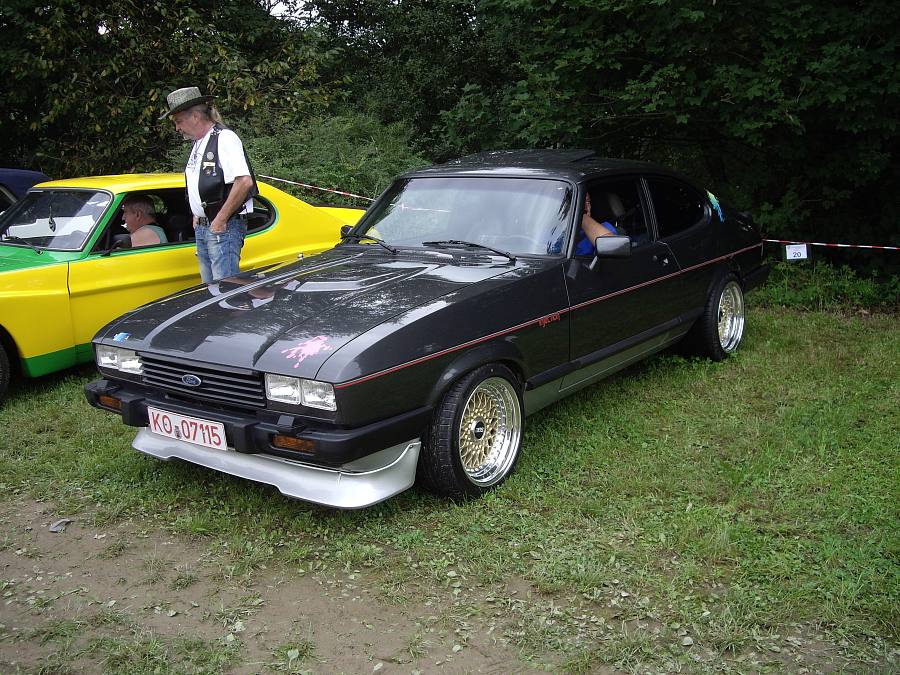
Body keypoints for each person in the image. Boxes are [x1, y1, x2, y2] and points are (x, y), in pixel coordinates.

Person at [160, 86, 258, 283]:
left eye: (178, 121)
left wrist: (220, 219)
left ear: (195, 116)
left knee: (225, 288)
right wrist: (198, 214)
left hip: (223, 226)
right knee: (210, 290)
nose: (177, 128)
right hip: (206, 226)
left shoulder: (224, 138)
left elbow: (244, 181)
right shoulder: (200, 142)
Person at [574, 191, 619, 256]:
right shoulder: (562, 233)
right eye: (580, 203)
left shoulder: (604, 227)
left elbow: (613, 248)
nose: (585, 206)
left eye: (587, 201)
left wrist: (582, 217)